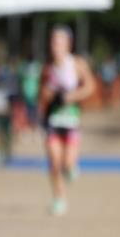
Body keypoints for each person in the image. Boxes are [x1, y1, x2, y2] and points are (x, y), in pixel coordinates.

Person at [37, 25, 96, 216]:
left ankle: (71, 170)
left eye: (59, 42)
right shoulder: (47, 67)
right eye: (53, 42)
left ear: (68, 44)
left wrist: (71, 96)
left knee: (68, 164)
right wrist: (48, 95)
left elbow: (90, 86)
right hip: (53, 121)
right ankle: (59, 199)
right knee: (54, 162)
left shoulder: (77, 64)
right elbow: (42, 92)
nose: (55, 46)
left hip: (71, 122)